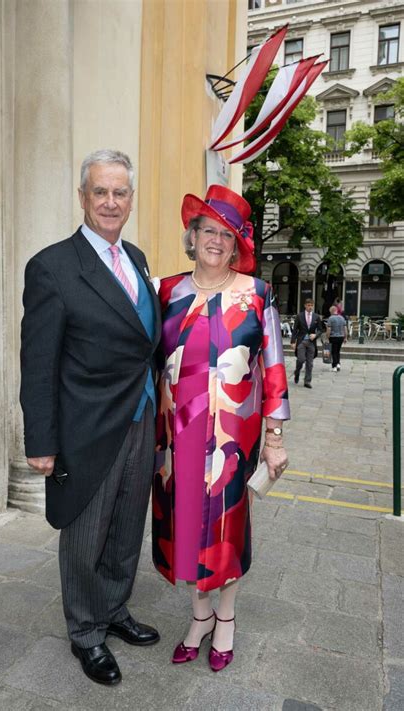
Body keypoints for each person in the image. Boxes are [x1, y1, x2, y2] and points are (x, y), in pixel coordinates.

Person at [20, 149, 162, 686]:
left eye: (120, 192)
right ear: (83, 198)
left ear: (130, 200)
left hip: (141, 416)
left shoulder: (139, 258)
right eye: (99, 192)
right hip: (86, 426)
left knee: (127, 526)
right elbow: (37, 362)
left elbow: (145, 340)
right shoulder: (53, 266)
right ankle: (85, 632)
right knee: (86, 530)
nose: (110, 201)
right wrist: (41, 440)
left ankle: (113, 608)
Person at [152, 185, 290, 672]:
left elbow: (273, 368)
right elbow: (148, 364)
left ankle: (225, 621)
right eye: (207, 230)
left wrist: (275, 438)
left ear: (237, 245)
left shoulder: (256, 294)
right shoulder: (166, 291)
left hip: (234, 435)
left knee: (227, 530)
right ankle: (199, 617)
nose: (215, 240)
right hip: (176, 437)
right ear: (192, 237)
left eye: (226, 234)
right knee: (185, 525)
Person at [291, 298, 322, 389]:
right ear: (305, 305)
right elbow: (295, 330)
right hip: (301, 341)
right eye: (308, 305)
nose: (310, 307)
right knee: (300, 359)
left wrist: (315, 335)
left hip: (311, 343)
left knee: (310, 363)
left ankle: (307, 381)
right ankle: (297, 372)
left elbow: (320, 330)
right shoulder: (299, 316)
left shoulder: (316, 317)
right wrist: (293, 342)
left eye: (311, 305)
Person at [326, 305, 347, 372]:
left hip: (333, 337)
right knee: (338, 351)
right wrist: (345, 337)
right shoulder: (342, 318)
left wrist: (327, 337)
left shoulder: (330, 318)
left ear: (331, 311)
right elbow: (345, 328)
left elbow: (329, 329)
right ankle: (338, 363)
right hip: (341, 337)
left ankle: (334, 366)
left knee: (333, 352)